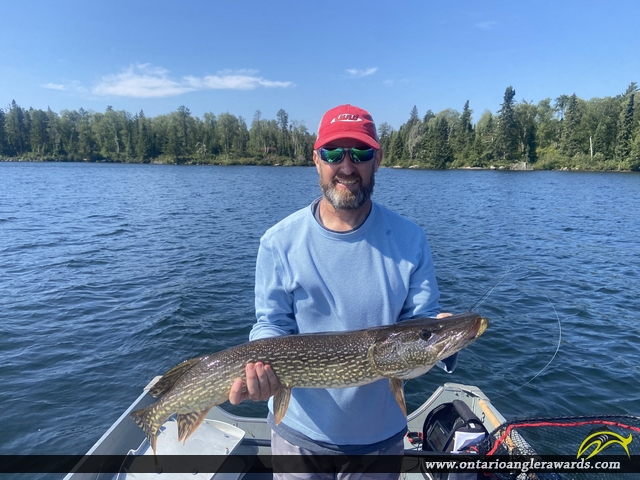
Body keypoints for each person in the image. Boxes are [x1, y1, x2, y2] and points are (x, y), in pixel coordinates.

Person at [229, 104, 454, 478]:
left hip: (380, 441)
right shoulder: (278, 242)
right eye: (334, 153)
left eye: (360, 153)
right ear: (316, 160)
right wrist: (258, 373)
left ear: (377, 160)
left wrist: (441, 340)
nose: (347, 167)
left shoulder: (411, 239)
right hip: (298, 436)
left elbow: (416, 331)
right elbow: (271, 324)